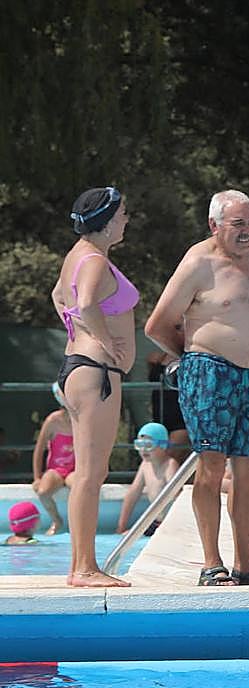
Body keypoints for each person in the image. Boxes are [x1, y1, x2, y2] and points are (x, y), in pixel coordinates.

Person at [144, 189, 249, 586]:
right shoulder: (198, 263)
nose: (247, 231)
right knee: (211, 466)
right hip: (211, 373)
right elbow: (157, 324)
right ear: (214, 225)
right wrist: (191, 362)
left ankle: (247, 566)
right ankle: (211, 563)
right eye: (237, 224)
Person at [50, 186, 136, 587]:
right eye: (122, 214)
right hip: (95, 370)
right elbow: (84, 303)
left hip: (79, 368)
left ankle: (81, 566)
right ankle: (83, 568)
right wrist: (101, 339)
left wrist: (78, 331)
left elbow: (58, 296)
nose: (126, 220)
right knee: (90, 474)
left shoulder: (77, 256)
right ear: (105, 220)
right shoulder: (95, 261)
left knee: (89, 472)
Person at [116, 423, 180, 536]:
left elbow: (176, 495)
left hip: (171, 523)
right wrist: (121, 526)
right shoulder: (145, 465)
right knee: (127, 536)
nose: (143, 449)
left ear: (163, 445)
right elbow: (132, 495)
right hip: (156, 523)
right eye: (139, 445)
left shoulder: (170, 465)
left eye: (148, 444)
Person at [30, 407, 75, 536]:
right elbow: (39, 450)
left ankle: (76, 523)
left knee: (80, 488)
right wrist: (37, 477)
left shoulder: (83, 418)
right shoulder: (53, 420)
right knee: (43, 492)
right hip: (55, 469)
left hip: (75, 469)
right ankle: (56, 520)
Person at [146, 349, 190, 463]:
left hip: (181, 418)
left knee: (169, 457)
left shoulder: (190, 356)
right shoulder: (158, 356)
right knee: (154, 458)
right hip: (159, 417)